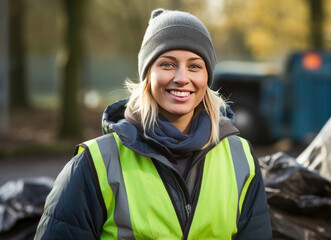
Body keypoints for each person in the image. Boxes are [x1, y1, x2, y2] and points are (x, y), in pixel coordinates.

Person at [35, 8, 272, 240]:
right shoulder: (94, 164)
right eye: (167, 64)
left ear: (207, 77)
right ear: (147, 74)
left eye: (195, 66)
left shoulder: (241, 159)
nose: (182, 78)